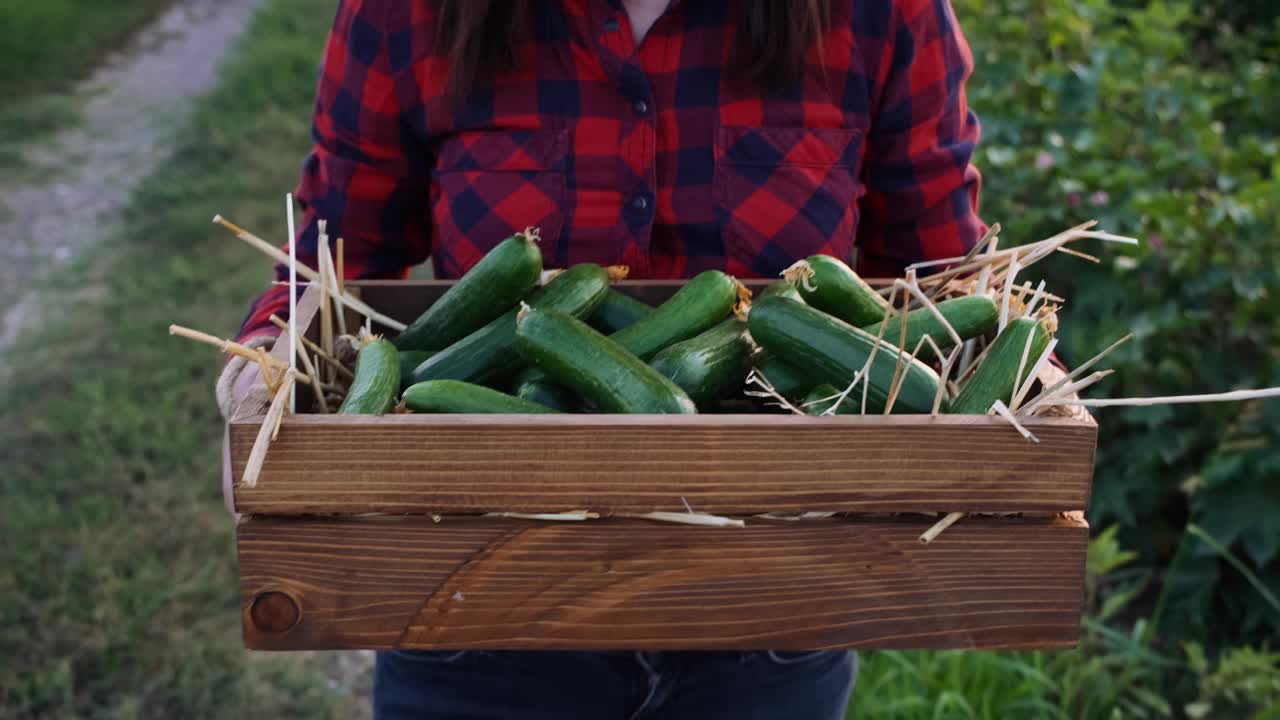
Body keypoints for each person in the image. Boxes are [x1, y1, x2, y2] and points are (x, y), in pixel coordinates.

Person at [219, 0, 986, 717]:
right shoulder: (407, 11)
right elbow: (334, 256)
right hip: (476, 610)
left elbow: (935, 284)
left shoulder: (885, 12)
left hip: (773, 617)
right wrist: (267, 360)